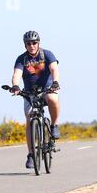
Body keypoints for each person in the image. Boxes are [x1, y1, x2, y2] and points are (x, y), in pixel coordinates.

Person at [11, 31, 61, 169]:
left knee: (53, 98)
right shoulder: (22, 59)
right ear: (25, 45)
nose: (31, 46)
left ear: (38, 43)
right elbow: (16, 74)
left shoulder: (47, 54)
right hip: (30, 93)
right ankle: (31, 154)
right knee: (29, 117)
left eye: (34, 43)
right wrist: (15, 86)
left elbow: (54, 69)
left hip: (47, 89)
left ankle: (54, 125)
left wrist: (55, 82)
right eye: (28, 44)